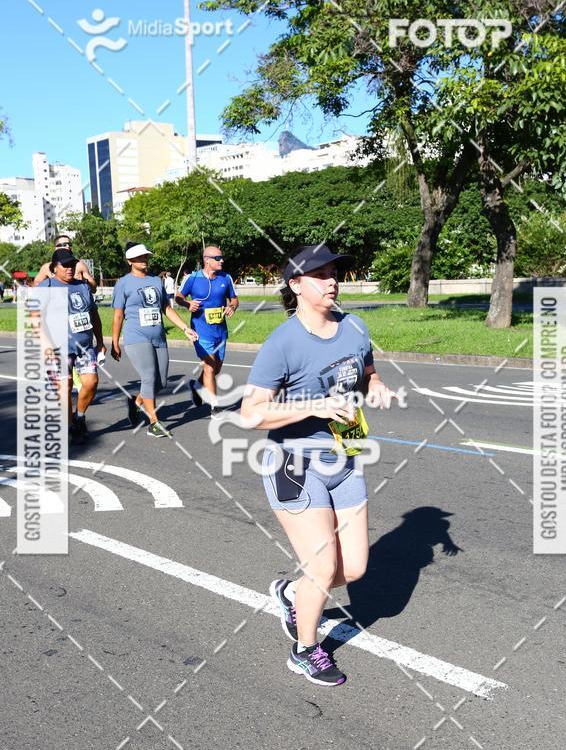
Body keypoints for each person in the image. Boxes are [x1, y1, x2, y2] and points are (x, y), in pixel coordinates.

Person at [241, 244, 395, 687]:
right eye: (320, 274)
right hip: (293, 464)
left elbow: (365, 371)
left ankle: (291, 593)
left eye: (334, 272)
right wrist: (317, 406)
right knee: (323, 567)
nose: (332, 281)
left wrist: (378, 384)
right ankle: (306, 650)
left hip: (344, 458)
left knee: (357, 569)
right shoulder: (283, 343)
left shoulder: (355, 326)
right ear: (295, 285)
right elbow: (250, 414)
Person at [111, 241, 198, 438]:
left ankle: (136, 403)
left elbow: (166, 308)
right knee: (149, 376)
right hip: (136, 337)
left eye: (146, 256)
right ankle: (154, 422)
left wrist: (185, 328)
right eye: (141, 257)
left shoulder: (156, 281)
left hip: (158, 336)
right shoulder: (123, 283)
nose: (145, 260)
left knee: (161, 381)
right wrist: (114, 342)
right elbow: (118, 315)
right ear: (130, 260)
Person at [38, 248, 106, 441]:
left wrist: (100, 341)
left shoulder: (83, 286)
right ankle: (68, 427)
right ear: (54, 267)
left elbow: (94, 315)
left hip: (84, 344)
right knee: (64, 386)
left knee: (91, 383)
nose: (70, 268)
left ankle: (80, 415)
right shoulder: (46, 287)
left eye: (72, 264)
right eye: (65, 265)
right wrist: (45, 344)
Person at [175, 245, 239, 417]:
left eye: (221, 257)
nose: (222, 261)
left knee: (216, 369)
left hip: (220, 330)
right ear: (207, 260)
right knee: (210, 368)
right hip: (201, 330)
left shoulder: (226, 277)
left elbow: (234, 298)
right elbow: (178, 297)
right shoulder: (192, 279)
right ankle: (215, 407)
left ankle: (197, 385)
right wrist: (187, 304)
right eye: (218, 258)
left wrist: (232, 306)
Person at [33, 235, 98, 293]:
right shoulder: (47, 267)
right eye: (64, 244)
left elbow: (93, 289)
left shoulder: (79, 264)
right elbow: (36, 285)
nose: (68, 246)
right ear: (56, 247)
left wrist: (82, 283)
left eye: (69, 244)